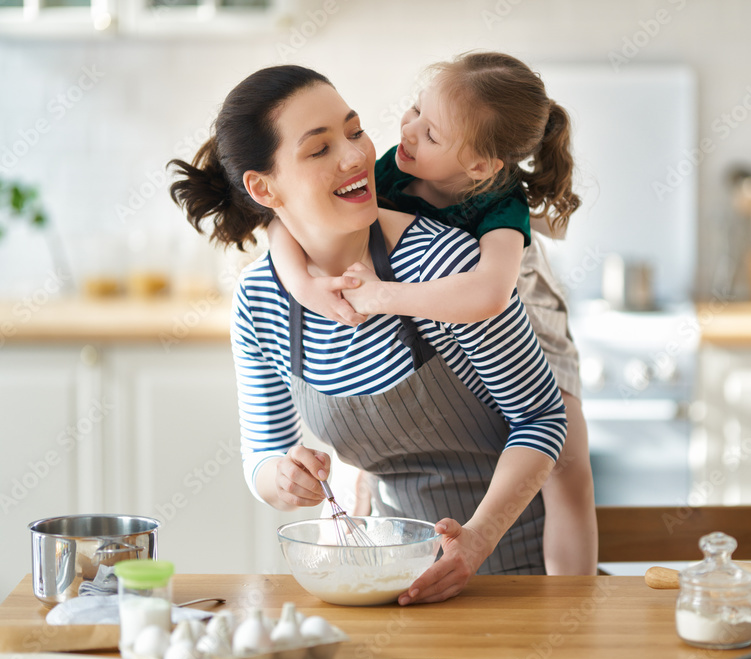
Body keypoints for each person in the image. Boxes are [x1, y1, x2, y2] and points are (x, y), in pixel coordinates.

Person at [168, 65, 568, 604]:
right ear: (264, 189)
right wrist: (282, 478)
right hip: (381, 584)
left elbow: (541, 418)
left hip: (504, 583)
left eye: (354, 131)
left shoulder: (445, 267)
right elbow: (263, 453)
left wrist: (476, 542)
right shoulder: (262, 298)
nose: (355, 156)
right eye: (319, 150)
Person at [266, 52, 597, 575]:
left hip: (523, 303)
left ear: (481, 167)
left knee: (568, 465)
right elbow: (282, 221)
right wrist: (303, 284)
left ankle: (574, 602)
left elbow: (489, 296)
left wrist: (383, 298)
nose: (409, 131)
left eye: (432, 133)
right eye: (415, 110)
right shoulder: (398, 165)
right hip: (441, 297)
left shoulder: (503, 208)